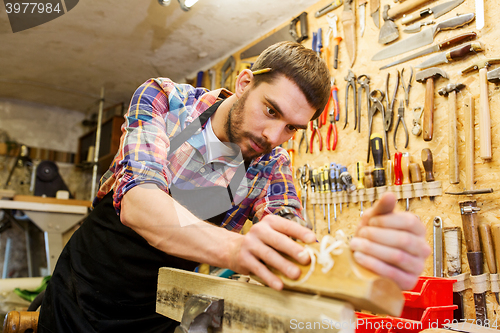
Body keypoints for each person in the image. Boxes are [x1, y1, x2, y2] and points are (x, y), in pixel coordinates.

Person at [38, 42, 430, 333]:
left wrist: (356, 261)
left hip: (159, 309)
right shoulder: (164, 100)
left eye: (292, 127)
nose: (274, 135)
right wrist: (240, 250)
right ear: (244, 83)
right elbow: (139, 204)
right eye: (271, 111)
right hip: (84, 288)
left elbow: (294, 241)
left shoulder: (271, 164)